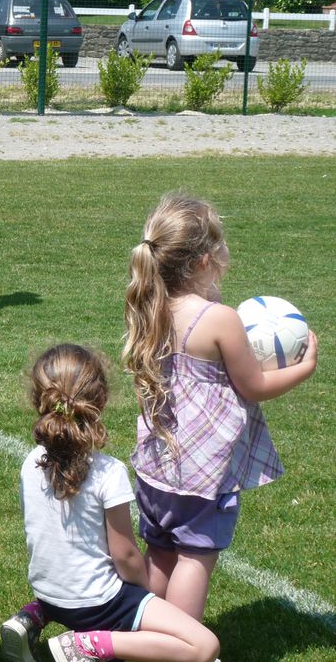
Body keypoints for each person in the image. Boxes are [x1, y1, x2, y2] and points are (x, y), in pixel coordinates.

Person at [122, 193, 317, 622]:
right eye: (222, 242)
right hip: (203, 470)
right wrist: (305, 367)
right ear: (203, 262)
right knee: (196, 556)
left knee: (160, 551)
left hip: (157, 459)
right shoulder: (220, 318)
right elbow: (255, 386)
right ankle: (179, 644)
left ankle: (144, 632)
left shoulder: (149, 307)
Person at [0, 344, 220, 662]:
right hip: (99, 604)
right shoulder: (108, 472)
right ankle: (86, 646)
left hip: (49, 593)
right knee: (203, 645)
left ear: (39, 401)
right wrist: (144, 594)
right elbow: (126, 555)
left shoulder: (31, 461)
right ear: (100, 401)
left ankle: (31, 617)